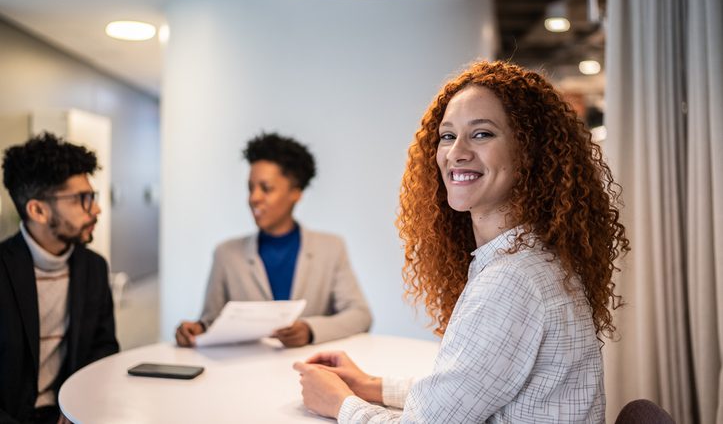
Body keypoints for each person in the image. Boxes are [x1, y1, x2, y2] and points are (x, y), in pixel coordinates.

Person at [293, 60, 630, 422]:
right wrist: (368, 385)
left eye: (482, 134)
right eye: (448, 136)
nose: (456, 152)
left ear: (528, 152)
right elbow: (469, 388)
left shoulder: (512, 280)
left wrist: (338, 403)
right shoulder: (529, 260)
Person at [176, 133, 372, 348]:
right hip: (244, 373)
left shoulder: (331, 248)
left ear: (295, 193)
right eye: (250, 188)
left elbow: (360, 315)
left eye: (266, 188)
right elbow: (211, 321)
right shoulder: (225, 254)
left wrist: (310, 330)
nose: (254, 198)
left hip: (311, 371)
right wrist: (197, 329)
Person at [0, 133, 119, 424]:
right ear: (38, 210)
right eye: (83, 199)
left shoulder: (94, 268)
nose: (97, 209)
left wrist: (80, 402)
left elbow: (104, 349)